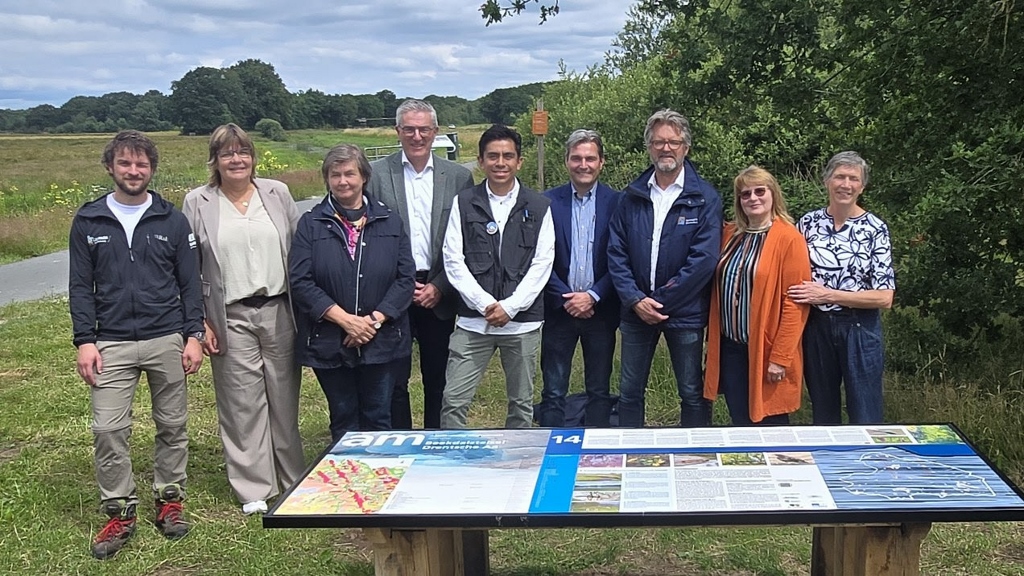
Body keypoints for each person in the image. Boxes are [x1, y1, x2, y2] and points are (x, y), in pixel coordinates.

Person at [68, 130, 203, 559]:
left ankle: (170, 499)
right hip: (110, 341)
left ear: (152, 169)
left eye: (141, 164)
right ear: (110, 167)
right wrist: (85, 340)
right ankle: (120, 510)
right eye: (125, 163)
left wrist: (194, 335)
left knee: (172, 424)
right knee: (108, 429)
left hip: (166, 336)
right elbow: (80, 286)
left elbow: (190, 283)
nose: (133, 171)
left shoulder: (171, 219)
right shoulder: (89, 220)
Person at [182, 123, 305, 516]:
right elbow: (188, 268)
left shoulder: (277, 193)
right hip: (228, 315)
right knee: (241, 404)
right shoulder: (197, 202)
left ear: (253, 157)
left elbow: (299, 250)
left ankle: (292, 477)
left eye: (243, 152)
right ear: (215, 160)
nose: (236, 159)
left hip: (279, 309)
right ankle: (254, 486)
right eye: (227, 153)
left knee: (284, 397)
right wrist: (200, 321)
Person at [290, 144, 414, 442]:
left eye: (350, 173)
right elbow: (300, 280)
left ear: (364, 177)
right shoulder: (311, 223)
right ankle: (348, 472)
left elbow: (405, 278)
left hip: (381, 338)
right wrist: (346, 321)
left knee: (378, 415)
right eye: (335, 175)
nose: (343, 181)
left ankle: (381, 469)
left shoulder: (390, 220)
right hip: (330, 339)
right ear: (327, 179)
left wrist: (372, 321)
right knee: (344, 416)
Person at [608, 109, 722, 428]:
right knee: (629, 392)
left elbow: (703, 259)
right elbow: (616, 252)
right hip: (636, 311)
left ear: (686, 147)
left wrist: (658, 302)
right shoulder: (631, 196)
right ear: (649, 147)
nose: (666, 148)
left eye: (673, 142)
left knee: (691, 392)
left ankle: (695, 451)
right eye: (658, 142)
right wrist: (635, 300)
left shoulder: (704, 198)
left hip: (685, 312)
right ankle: (630, 449)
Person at [367, 99, 475, 429]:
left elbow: (467, 241)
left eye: (424, 129)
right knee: (394, 377)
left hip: (438, 289)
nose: (417, 136)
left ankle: (434, 440)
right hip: (390, 289)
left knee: (438, 375)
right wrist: (398, 285)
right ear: (397, 131)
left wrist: (439, 286)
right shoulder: (376, 175)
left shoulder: (458, 177)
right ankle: (401, 440)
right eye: (409, 129)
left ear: (435, 131)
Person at [440, 124, 554, 429]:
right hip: (473, 322)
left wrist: (511, 307)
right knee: (453, 400)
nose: (500, 163)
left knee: (521, 404)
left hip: (522, 323)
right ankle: (455, 457)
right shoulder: (464, 202)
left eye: (507, 156)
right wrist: (486, 305)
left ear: (519, 161)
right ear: (480, 161)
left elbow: (542, 263)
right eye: (492, 156)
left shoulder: (540, 206)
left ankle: (517, 458)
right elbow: (453, 259)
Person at [789, 151, 895, 424]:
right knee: (823, 412)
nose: (845, 184)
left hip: (859, 327)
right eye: (839, 177)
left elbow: (884, 297)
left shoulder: (875, 229)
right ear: (827, 181)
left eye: (853, 179)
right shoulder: (808, 223)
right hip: (816, 326)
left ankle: (867, 453)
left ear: (862, 186)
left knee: (865, 412)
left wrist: (828, 295)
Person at [703, 166, 812, 425]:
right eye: (745, 194)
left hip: (766, 351)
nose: (753, 198)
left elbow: (795, 304)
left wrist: (780, 358)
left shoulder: (789, 239)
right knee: (740, 421)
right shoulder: (730, 234)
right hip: (731, 347)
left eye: (760, 191)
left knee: (770, 427)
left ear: (773, 194)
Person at [536, 129, 621, 428]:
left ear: (601, 162)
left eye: (590, 158)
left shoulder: (618, 203)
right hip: (559, 309)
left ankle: (595, 445)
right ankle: (551, 444)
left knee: (599, 389)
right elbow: (539, 259)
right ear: (566, 161)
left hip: (601, 309)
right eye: (576, 158)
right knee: (553, 390)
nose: (583, 165)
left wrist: (593, 295)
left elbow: (622, 258)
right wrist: (567, 298)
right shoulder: (546, 202)